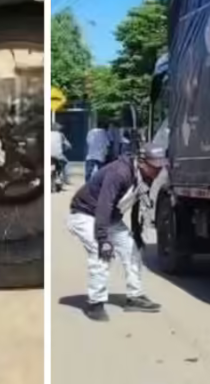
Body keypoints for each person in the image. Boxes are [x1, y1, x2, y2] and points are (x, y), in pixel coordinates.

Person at [67, 142, 165, 321]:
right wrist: (103, 239)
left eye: (160, 166)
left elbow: (137, 201)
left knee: (132, 253)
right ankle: (95, 304)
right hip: (86, 214)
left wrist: (136, 231)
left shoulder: (146, 175)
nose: (158, 171)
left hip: (111, 217)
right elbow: (104, 204)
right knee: (102, 255)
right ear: (142, 162)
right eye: (155, 166)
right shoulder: (119, 173)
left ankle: (134, 297)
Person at [50, 122, 71, 188]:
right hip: (57, 155)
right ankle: (66, 180)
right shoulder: (61, 135)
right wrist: (65, 149)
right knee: (66, 163)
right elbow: (68, 145)